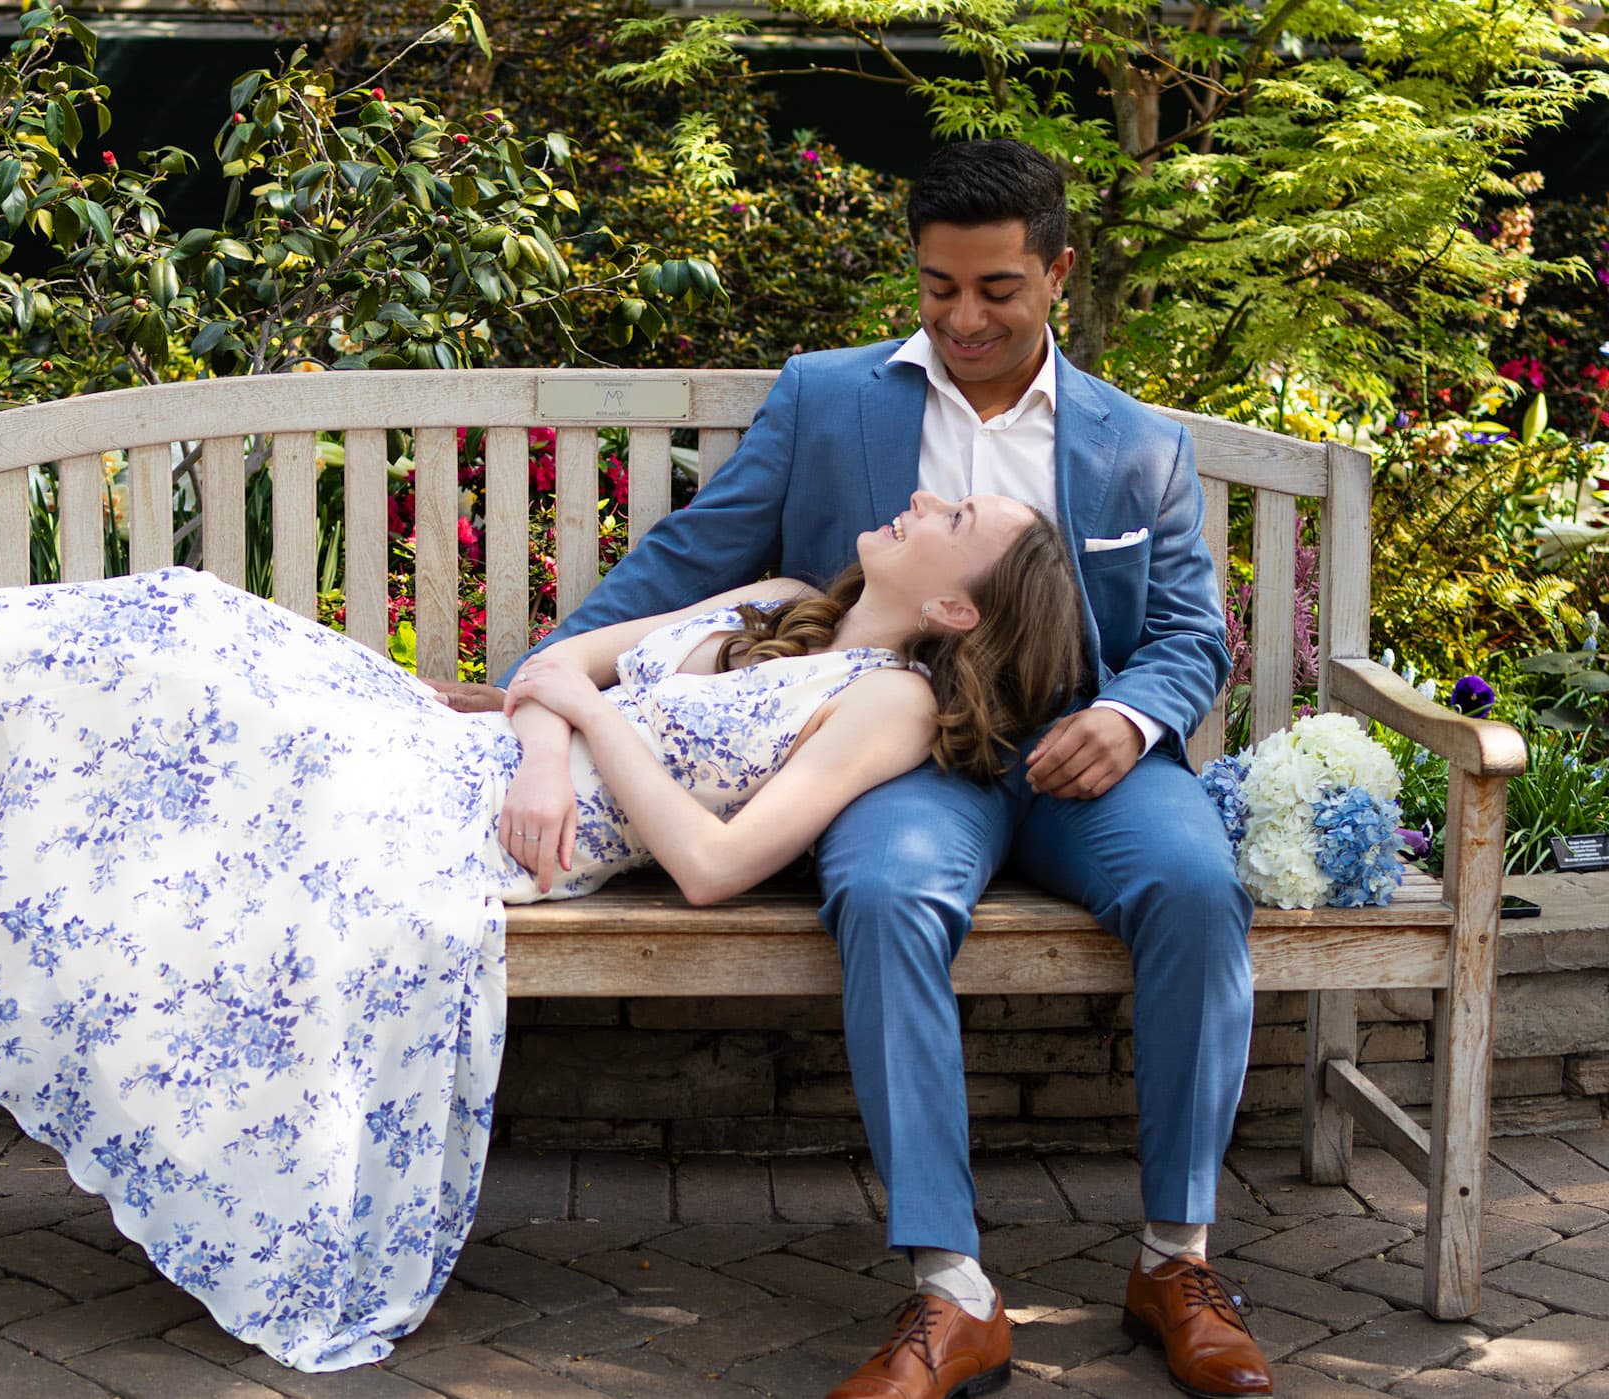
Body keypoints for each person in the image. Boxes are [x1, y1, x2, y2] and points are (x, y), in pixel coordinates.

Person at [0, 483, 1083, 1373]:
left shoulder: (879, 702)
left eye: (958, 515)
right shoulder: (769, 597)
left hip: (442, 824)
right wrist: (556, 726)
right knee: (171, 625)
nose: (923, 498)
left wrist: (570, 725)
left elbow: (704, 860)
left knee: (173, 633)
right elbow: (560, 670)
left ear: (964, 611)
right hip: (461, 764)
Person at [440, 139, 1269, 1399]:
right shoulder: (828, 399)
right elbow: (682, 565)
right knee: (883, 896)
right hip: (899, 755)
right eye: (938, 288)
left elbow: (1187, 632)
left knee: (1196, 886)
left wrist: (1138, 720)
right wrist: (542, 700)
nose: (963, 317)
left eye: (995, 289)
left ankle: (1175, 1259)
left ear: (1055, 272)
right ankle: (951, 1292)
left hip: (1079, 753)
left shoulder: (1134, 444)